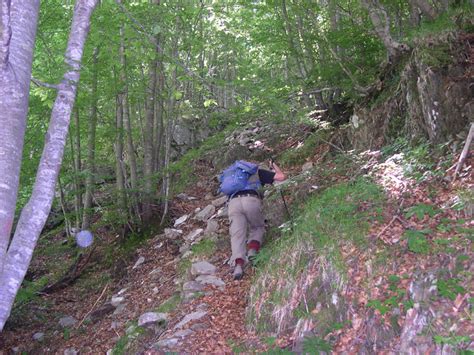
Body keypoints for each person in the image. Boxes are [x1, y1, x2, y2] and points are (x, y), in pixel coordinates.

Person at [227, 160, 286, 280]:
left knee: (237, 235)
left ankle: (238, 266)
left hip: (233, 203)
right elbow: (281, 177)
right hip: (251, 200)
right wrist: (275, 166)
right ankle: (253, 251)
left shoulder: (232, 177)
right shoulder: (258, 172)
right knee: (258, 226)